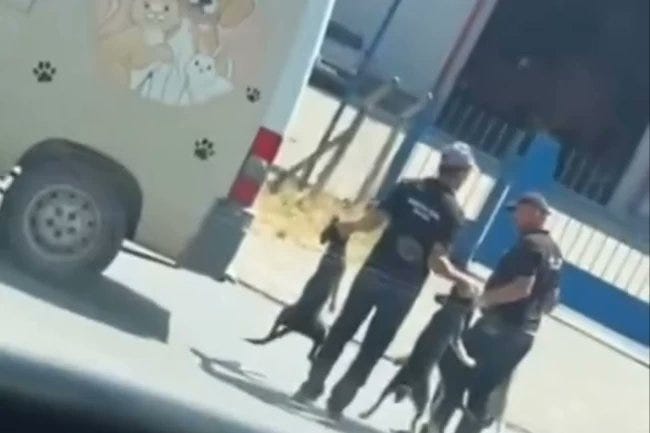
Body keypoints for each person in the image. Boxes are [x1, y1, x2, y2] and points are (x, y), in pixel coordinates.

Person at [292, 142, 480, 419]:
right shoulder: (452, 213)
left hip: (374, 272)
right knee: (373, 347)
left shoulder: (408, 188)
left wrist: (346, 228)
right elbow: (436, 262)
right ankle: (339, 401)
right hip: (404, 288)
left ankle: (311, 386)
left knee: (342, 330)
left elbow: (372, 222)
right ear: (462, 173)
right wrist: (463, 280)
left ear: (442, 165)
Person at [427, 192, 564, 433]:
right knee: (483, 392)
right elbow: (551, 300)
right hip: (524, 334)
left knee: (453, 369)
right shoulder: (555, 253)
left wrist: (481, 300)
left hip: (498, 327)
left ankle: (434, 426)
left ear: (534, 213)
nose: (515, 218)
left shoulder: (530, 245)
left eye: (519, 211)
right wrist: (529, 315)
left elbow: (521, 288)